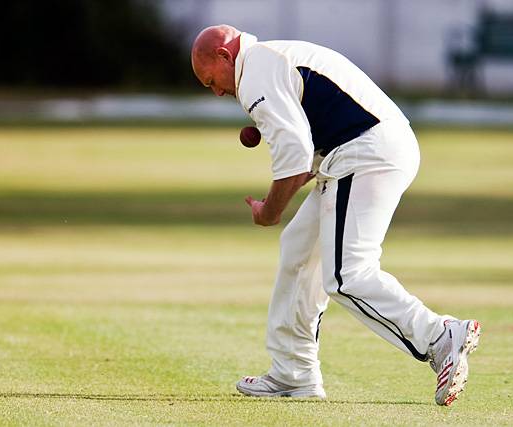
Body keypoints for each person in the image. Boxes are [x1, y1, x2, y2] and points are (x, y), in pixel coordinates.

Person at [190, 24, 481, 406]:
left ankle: (440, 336)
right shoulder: (271, 59)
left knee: (346, 275)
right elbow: (308, 145)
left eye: (212, 81)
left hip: (366, 152)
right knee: (298, 249)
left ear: (226, 56)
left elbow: (294, 161)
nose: (217, 92)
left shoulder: (256, 68)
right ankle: (293, 374)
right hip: (363, 150)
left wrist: (269, 211)